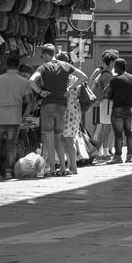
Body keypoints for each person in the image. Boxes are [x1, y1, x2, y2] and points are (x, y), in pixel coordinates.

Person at [29, 43, 87, 174]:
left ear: (45, 54)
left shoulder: (43, 67)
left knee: (49, 137)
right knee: (59, 137)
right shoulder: (66, 65)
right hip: (62, 106)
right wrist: (69, 88)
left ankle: (52, 168)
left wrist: (40, 92)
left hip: (48, 105)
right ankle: (62, 167)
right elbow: (83, 76)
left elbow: (31, 81)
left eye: (42, 55)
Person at [0, 56, 31, 181]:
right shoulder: (23, 81)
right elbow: (28, 101)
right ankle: (8, 172)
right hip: (15, 116)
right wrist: (24, 116)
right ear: (17, 66)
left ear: (7, 66)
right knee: (11, 145)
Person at [55, 51, 83, 176]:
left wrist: (68, 89)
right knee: (70, 139)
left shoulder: (63, 77)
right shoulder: (75, 76)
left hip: (66, 111)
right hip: (76, 111)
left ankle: (69, 166)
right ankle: (72, 166)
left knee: (64, 139)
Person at [106, 59, 132, 162]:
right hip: (129, 108)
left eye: (115, 66)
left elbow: (109, 95)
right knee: (129, 133)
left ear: (118, 67)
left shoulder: (115, 80)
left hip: (118, 108)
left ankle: (118, 156)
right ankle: (130, 156)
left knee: (118, 134)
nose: (114, 68)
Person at [91, 50, 119, 164]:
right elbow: (107, 91)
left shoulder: (103, 73)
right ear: (111, 62)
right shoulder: (107, 75)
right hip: (107, 102)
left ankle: (101, 151)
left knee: (103, 127)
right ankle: (102, 151)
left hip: (103, 103)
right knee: (106, 128)